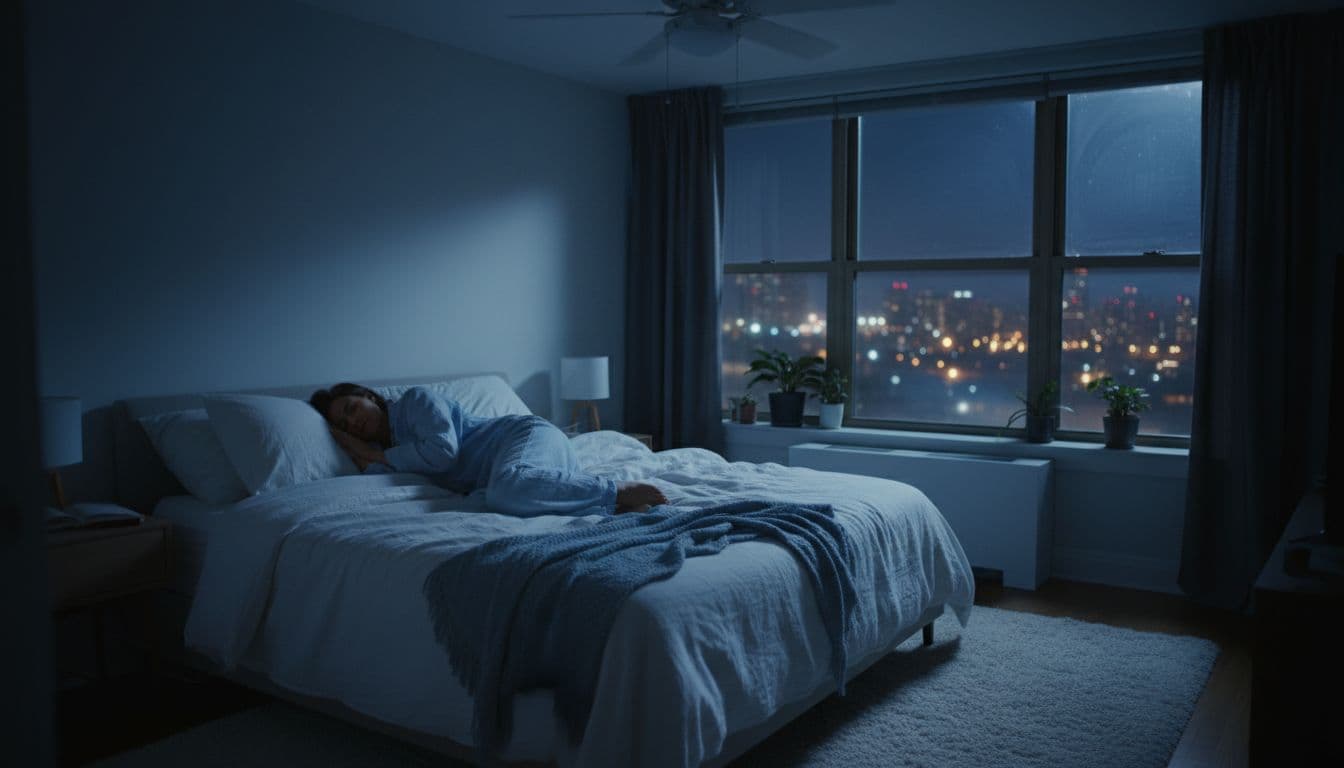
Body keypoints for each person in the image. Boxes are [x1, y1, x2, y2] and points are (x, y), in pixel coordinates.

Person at [309, 383, 668, 516]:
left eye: (352, 409)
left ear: (370, 396)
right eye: (343, 425)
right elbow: (381, 475)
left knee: (506, 488)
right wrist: (357, 451)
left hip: (525, 438)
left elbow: (443, 451)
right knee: (494, 499)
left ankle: (614, 489)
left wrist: (376, 455)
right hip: (522, 471)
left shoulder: (415, 402)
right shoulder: (390, 450)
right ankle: (604, 502)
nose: (352, 422)